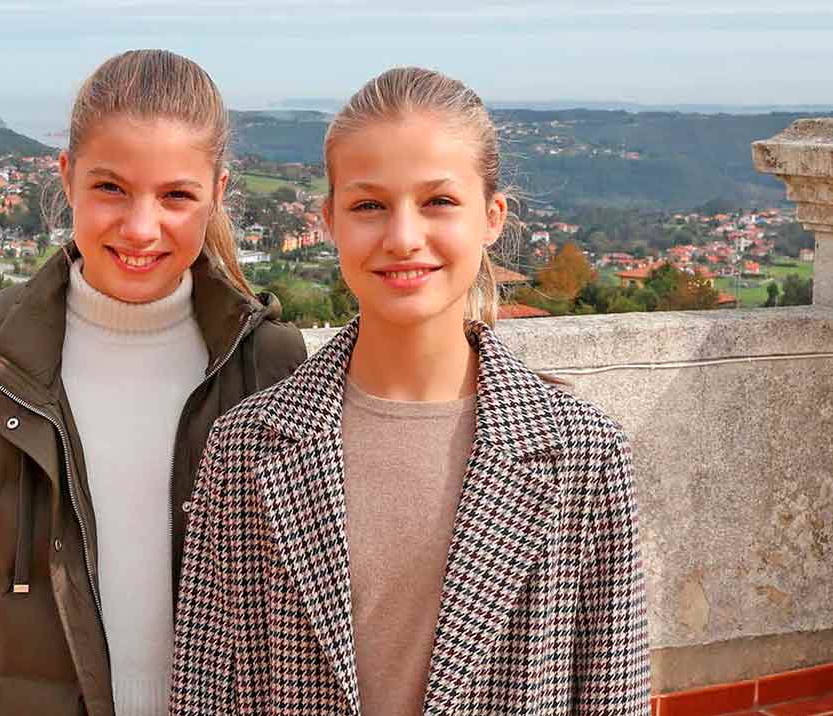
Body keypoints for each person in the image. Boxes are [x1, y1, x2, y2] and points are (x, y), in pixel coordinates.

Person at [171, 67, 649, 715]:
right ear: (330, 220)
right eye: (369, 205)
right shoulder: (246, 448)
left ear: (492, 216)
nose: (402, 237)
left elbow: (611, 695)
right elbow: (205, 694)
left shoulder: (584, 453)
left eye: (438, 202)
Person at [0, 49, 307, 716]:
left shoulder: (268, 366)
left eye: (177, 195)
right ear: (66, 178)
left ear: (219, 194)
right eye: (111, 188)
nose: (141, 228)